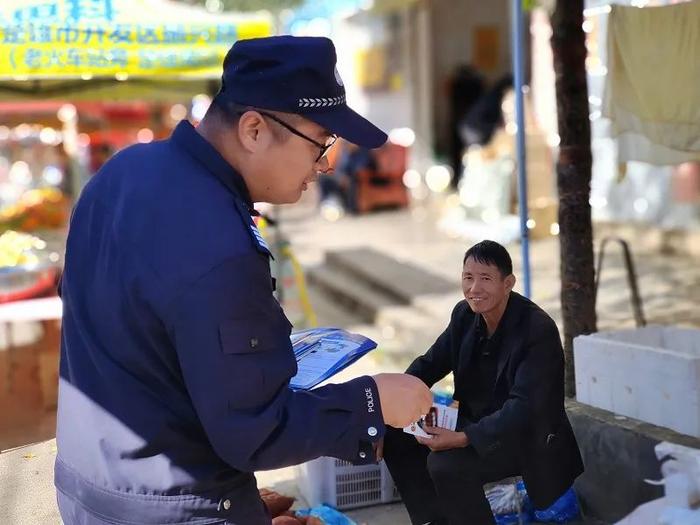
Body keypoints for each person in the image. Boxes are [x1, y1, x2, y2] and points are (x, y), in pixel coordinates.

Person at [54, 36, 432, 525]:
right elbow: (255, 431)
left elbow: (109, 319)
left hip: (90, 484)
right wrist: (372, 400)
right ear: (254, 129)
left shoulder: (124, 170)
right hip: (175, 507)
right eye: (320, 142)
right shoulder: (222, 245)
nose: (323, 165)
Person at [381, 240, 584, 525]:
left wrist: (464, 438)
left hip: (524, 436)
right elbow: (430, 363)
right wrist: (388, 404)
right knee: (394, 434)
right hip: (475, 422)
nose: (474, 289)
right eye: (468, 278)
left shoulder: (537, 330)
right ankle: (432, 521)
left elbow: (523, 409)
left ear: (508, 283)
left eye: (486, 279)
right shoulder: (464, 315)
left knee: (446, 464)